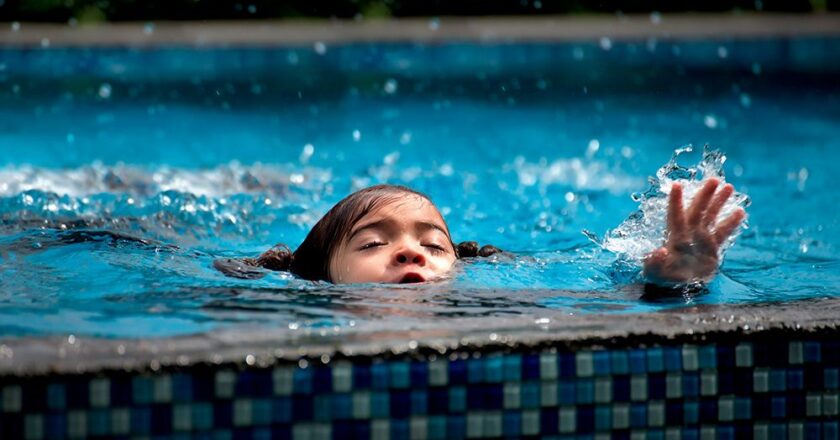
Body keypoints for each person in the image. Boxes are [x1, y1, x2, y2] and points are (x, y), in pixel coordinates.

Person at [215, 179, 745, 287]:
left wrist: (674, 281)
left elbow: (607, 309)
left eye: (433, 245)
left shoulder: (491, 305)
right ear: (320, 275)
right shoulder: (296, 309)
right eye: (373, 243)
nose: (410, 252)